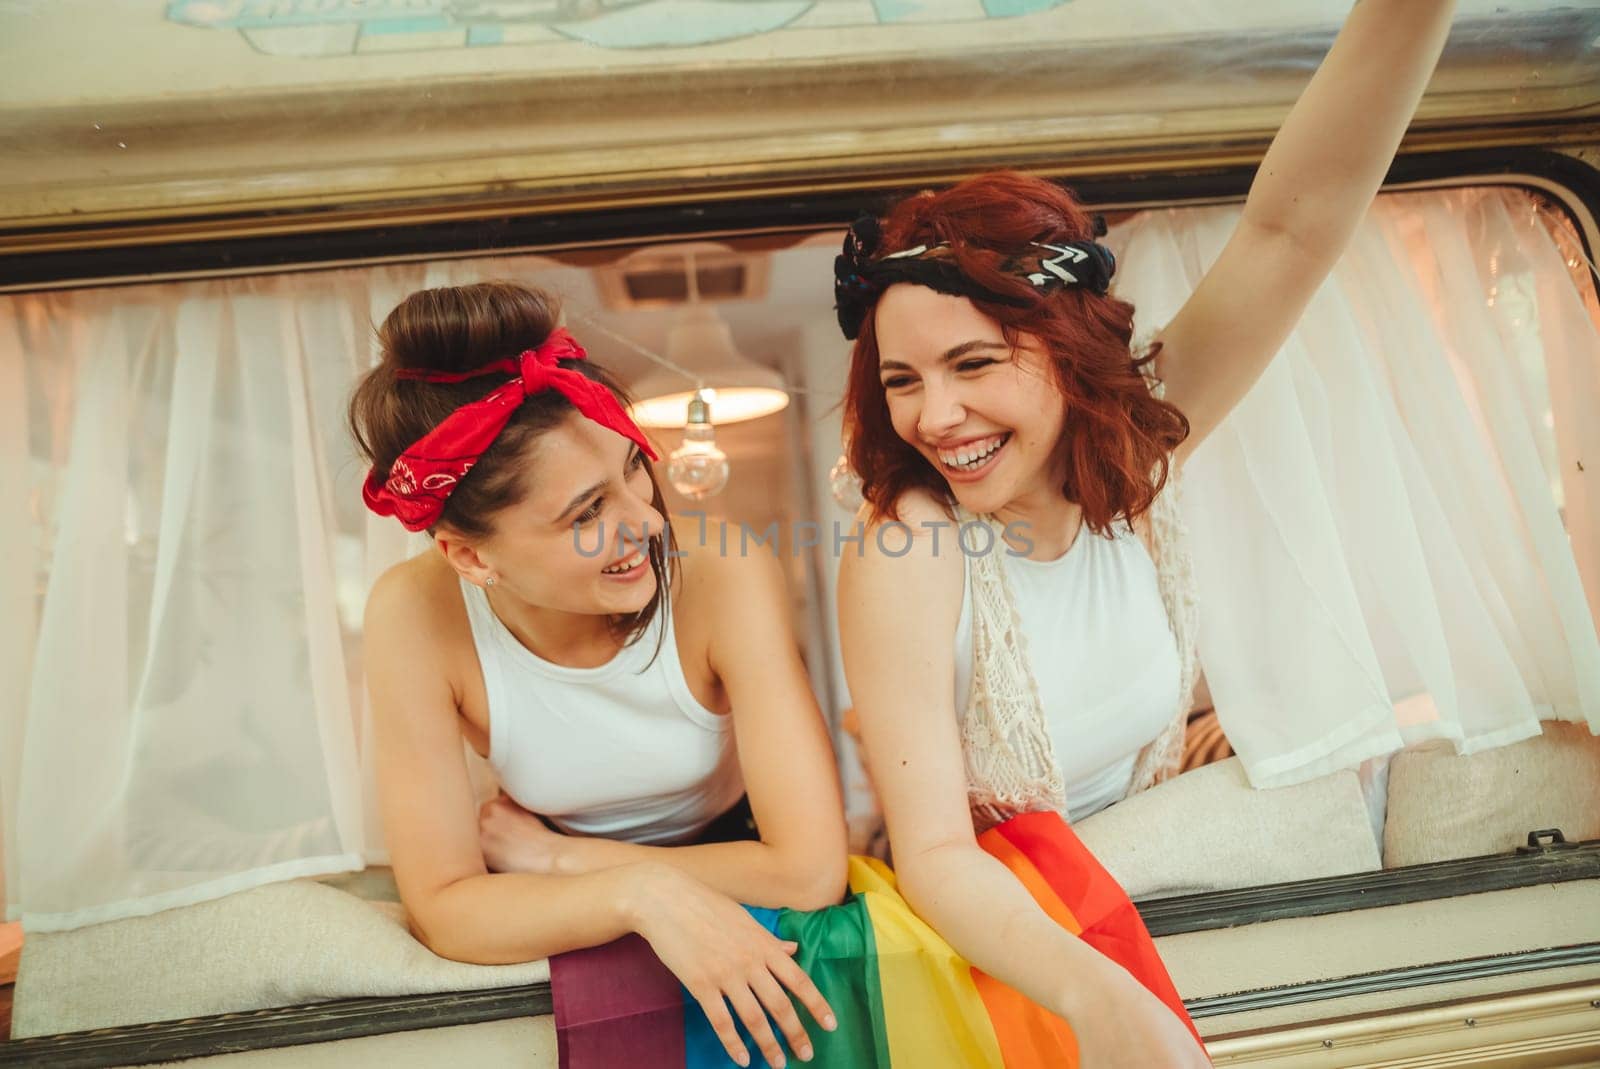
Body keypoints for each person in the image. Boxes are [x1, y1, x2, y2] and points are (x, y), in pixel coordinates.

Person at [833, 2, 1457, 1066]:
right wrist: (1100, 999)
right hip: (1005, 958)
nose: (934, 417)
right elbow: (936, 854)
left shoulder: (1139, 446)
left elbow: (1292, 231)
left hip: (1149, 899)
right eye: (903, 381)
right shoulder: (908, 541)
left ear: (1071, 354)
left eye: (973, 365)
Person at [350, 281, 847, 1069]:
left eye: (631, 469)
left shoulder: (720, 569)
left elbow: (811, 869)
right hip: (556, 896)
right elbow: (445, 909)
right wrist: (640, 895)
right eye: (587, 513)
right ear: (471, 556)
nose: (647, 522)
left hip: (625, 858)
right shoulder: (412, 615)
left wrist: (560, 860)